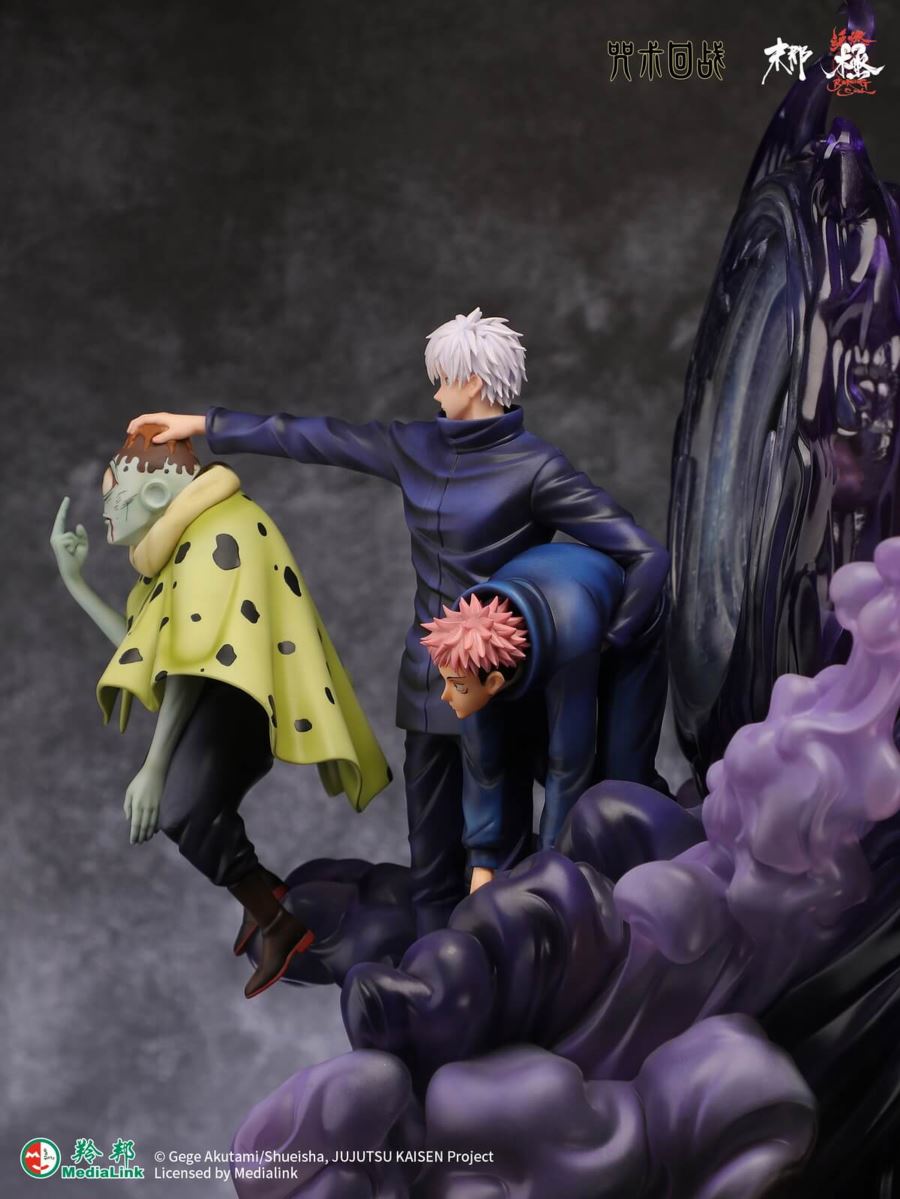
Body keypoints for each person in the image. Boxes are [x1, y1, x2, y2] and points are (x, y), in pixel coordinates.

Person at [127, 306, 669, 931]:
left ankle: (548, 937)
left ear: (473, 381)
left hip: (496, 683)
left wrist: (607, 643)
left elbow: (645, 555)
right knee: (431, 859)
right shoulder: (417, 446)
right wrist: (204, 424)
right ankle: (436, 962)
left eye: (442, 379)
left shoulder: (537, 469)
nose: (435, 392)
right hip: (428, 676)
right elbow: (314, 437)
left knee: (511, 844)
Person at [50, 425, 389, 996]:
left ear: (153, 495)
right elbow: (145, 652)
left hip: (241, 700)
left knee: (182, 809)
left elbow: (190, 665)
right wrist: (75, 582)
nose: (105, 509)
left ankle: (279, 921)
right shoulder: (178, 549)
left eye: (113, 496)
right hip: (218, 696)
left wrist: (153, 767)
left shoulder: (215, 533)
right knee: (186, 815)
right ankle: (264, 902)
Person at [423, 542, 666, 891]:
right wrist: (482, 862)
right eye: (446, 681)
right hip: (554, 619)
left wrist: (550, 867)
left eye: (456, 687)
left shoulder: (570, 640)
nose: (445, 696)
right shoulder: (467, 653)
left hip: (626, 619)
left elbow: (569, 764)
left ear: (494, 682)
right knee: (519, 753)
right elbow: (483, 765)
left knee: (623, 773)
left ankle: (647, 860)